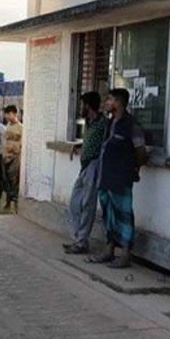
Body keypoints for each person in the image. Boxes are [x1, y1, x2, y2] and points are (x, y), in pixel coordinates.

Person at [87, 89, 147, 269]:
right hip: (105, 178)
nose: (106, 102)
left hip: (121, 178)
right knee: (108, 215)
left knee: (124, 215)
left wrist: (134, 168)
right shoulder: (110, 123)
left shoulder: (131, 125)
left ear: (119, 102)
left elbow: (141, 152)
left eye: (110, 99)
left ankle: (126, 253)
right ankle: (109, 250)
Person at [63, 92, 105, 254]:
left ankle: (82, 241)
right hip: (85, 165)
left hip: (95, 164)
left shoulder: (103, 124)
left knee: (88, 203)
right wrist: (79, 145)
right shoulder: (89, 123)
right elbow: (89, 140)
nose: (81, 108)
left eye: (83, 105)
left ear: (88, 106)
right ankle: (78, 237)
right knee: (75, 201)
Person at [2, 105, 23, 210]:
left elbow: (22, 143)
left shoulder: (21, 127)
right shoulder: (7, 126)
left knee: (14, 180)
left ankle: (15, 203)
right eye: (6, 114)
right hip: (6, 157)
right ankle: (8, 202)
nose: (7, 116)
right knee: (6, 180)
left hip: (15, 157)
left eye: (9, 114)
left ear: (15, 114)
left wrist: (15, 149)